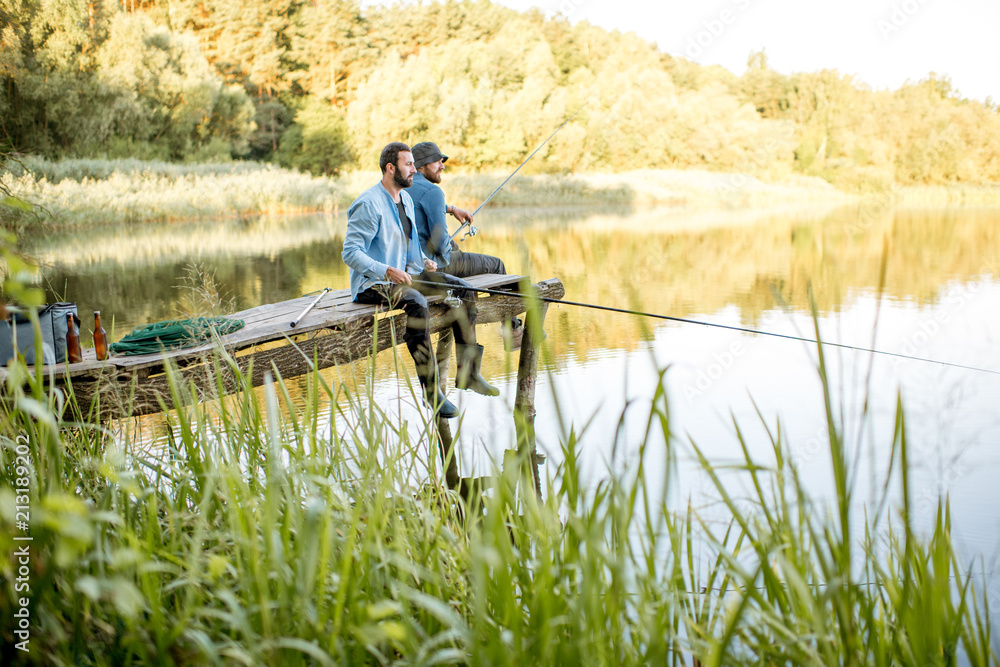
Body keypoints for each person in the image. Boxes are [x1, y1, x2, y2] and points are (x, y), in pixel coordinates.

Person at [342, 142, 498, 418]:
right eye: (408, 164)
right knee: (416, 303)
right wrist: (387, 270)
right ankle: (431, 390)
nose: (414, 170)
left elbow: (409, 244)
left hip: (406, 274)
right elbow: (351, 253)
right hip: (373, 283)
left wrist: (422, 263)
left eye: (414, 164)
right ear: (391, 168)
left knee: (462, 288)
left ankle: (469, 373)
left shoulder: (406, 200)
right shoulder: (368, 203)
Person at [408, 141, 523, 350]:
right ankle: (513, 331)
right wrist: (448, 246)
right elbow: (441, 245)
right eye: (437, 161)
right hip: (434, 269)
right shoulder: (432, 191)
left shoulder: (403, 187)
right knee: (496, 265)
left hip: (409, 268)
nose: (442, 165)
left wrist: (451, 209)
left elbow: (416, 206)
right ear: (422, 165)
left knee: (454, 247)